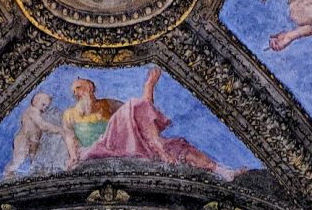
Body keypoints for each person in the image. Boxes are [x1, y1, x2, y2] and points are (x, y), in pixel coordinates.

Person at [63, 68, 236, 178]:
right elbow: (70, 138)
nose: (78, 92)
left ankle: (220, 170)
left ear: (91, 88)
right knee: (132, 105)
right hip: (99, 148)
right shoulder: (70, 114)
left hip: (125, 143)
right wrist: (72, 157)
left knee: (178, 146)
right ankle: (158, 145)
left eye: (82, 87)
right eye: (76, 90)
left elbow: (143, 114)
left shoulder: (107, 104)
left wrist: (147, 96)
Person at [6, 92, 65, 175]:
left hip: (34, 141)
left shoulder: (40, 113)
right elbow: (42, 125)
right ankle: (8, 173)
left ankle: (36, 172)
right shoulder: (32, 110)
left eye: (47, 107)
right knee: (18, 160)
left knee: (35, 160)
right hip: (24, 139)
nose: (44, 108)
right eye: (43, 105)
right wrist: (59, 129)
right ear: (35, 101)